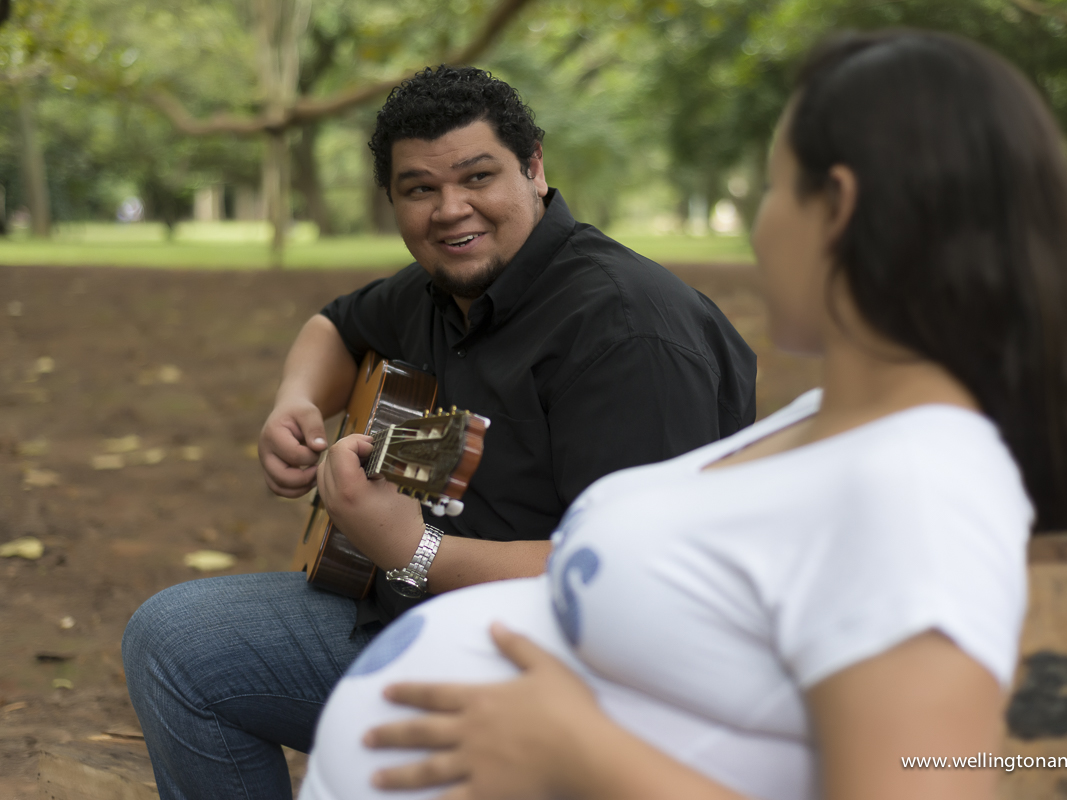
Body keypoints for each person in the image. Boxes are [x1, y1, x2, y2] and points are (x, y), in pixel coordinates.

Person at [298, 29, 1067, 800]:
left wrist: (573, 750)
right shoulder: (839, 426)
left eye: (774, 187)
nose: (758, 229)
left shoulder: (915, 488)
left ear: (838, 209)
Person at [121, 66, 757, 800]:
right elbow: (334, 325)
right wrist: (294, 403)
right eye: (419, 189)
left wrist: (411, 548)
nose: (451, 210)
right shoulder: (441, 287)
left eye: (478, 177)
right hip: (411, 615)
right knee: (175, 642)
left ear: (534, 168)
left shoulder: (625, 334)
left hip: (569, 679)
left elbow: (632, 586)